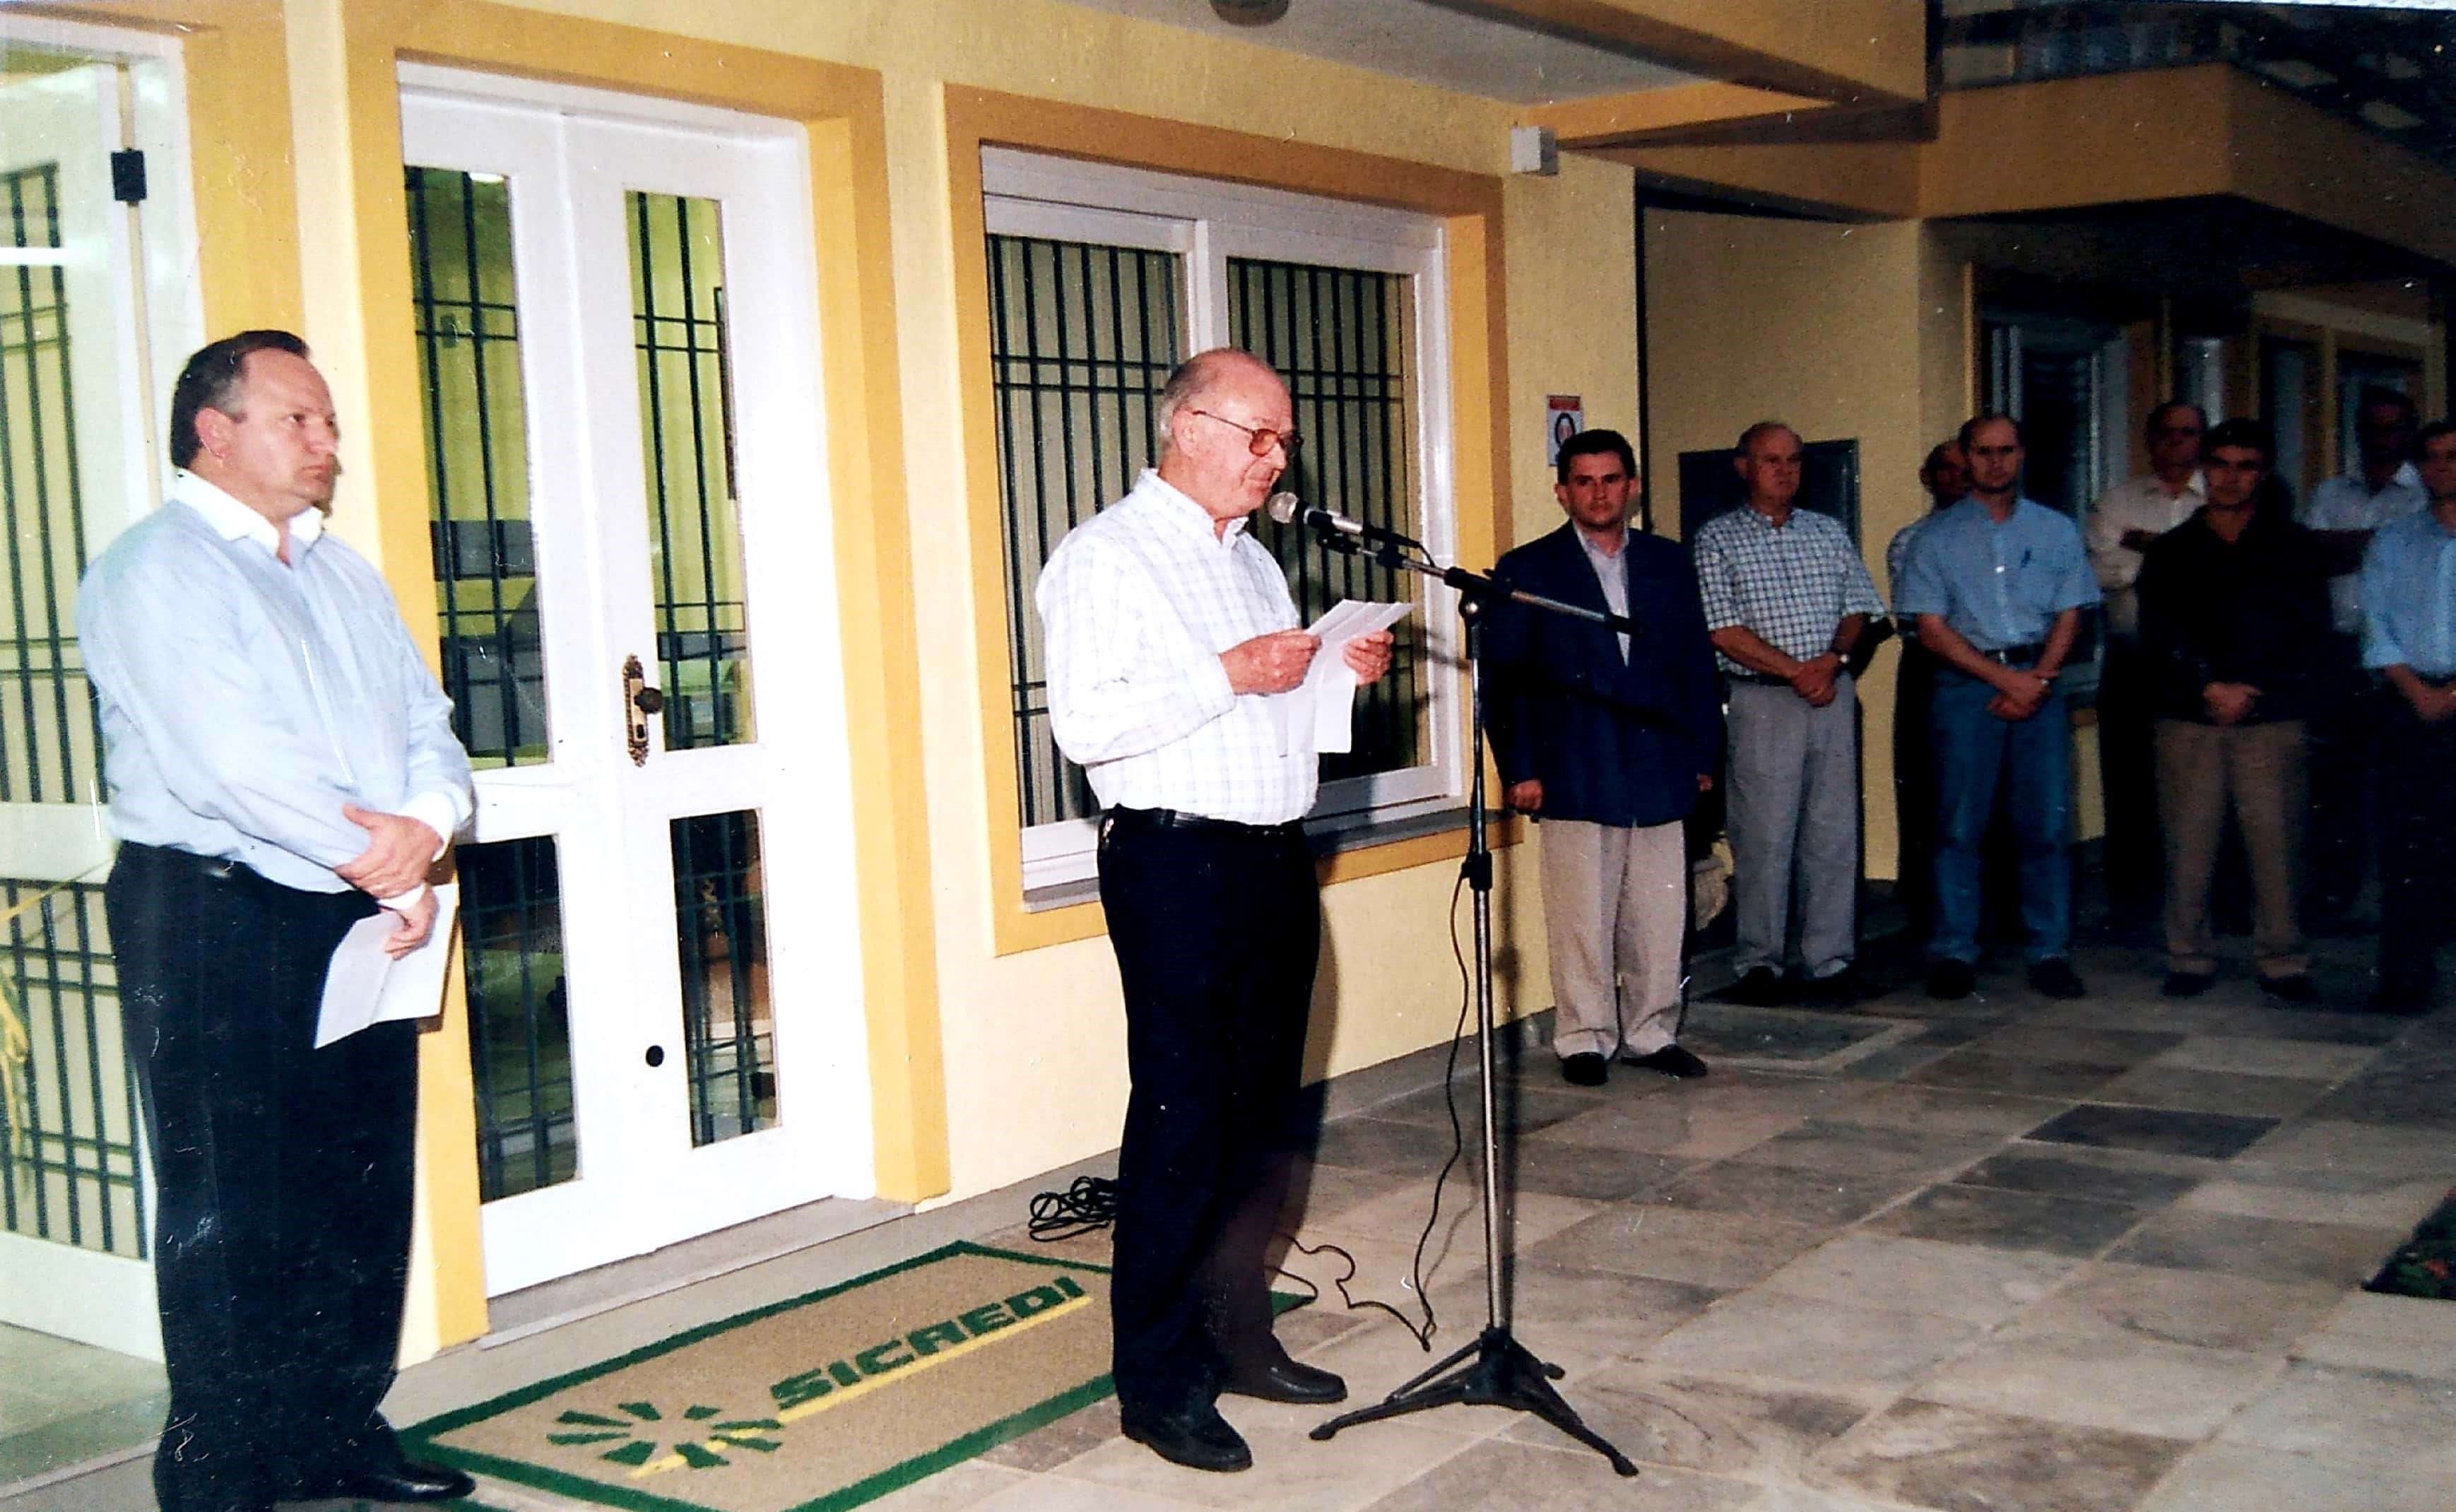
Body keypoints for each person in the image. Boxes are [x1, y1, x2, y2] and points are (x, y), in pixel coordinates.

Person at [76, 331, 477, 1512]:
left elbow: (427, 717)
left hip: (354, 906)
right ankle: (222, 1472)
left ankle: (332, 1432)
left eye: (329, 423)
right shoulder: (159, 573)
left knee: (357, 1188)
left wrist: (428, 821)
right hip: (216, 916)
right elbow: (232, 771)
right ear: (215, 429)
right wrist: (388, 865)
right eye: (300, 420)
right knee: (235, 1202)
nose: (327, 444)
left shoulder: (341, 571)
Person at [1035, 348, 1395, 1474]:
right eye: (1261, 435)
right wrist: (1230, 674)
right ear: (1187, 427)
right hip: (1177, 866)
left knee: (1261, 1117)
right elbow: (1087, 726)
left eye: (1282, 438)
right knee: (1187, 1124)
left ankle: (1240, 1335)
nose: (1277, 457)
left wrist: (1337, 671)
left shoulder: (1254, 563)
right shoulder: (1105, 559)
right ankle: (1157, 1382)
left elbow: (1275, 716)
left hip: (1273, 860)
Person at [1487, 429, 1722, 1086]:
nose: (1599, 493)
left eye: (1611, 479)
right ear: (1562, 492)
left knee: (1658, 913)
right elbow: (1507, 682)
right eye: (1584, 481)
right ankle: (1585, 1038)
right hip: (1573, 765)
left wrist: (1702, 754)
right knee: (1581, 915)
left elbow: (1696, 669)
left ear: (1633, 486)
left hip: (1659, 763)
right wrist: (1522, 768)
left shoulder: (1669, 563)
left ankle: (1652, 1032)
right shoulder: (1528, 570)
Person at [1894, 414, 2100, 1000]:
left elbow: (2071, 612)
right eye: (1982, 452)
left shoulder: (2056, 530)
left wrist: (2037, 679)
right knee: (1959, 824)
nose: (1995, 463)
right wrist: (2002, 681)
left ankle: (2050, 949)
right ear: (1966, 457)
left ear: (2022, 455)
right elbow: (1930, 629)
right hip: (1967, 685)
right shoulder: (1935, 538)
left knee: (2047, 824)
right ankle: (1956, 949)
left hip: (2041, 681)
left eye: (2006, 451)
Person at [2134, 420, 2332, 1003]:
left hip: (2271, 716)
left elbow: (2308, 634)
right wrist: (2207, 687)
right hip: (2189, 716)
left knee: (2277, 844)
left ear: (2263, 474)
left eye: (2246, 466)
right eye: (2220, 463)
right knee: (2188, 844)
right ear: (2203, 469)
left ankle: (2282, 959)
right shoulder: (2172, 551)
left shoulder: (2294, 547)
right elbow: (2158, 634)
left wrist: (2252, 689)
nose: (2230, 477)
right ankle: (2188, 957)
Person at [1692, 422, 1884, 1005]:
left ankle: (1830, 959)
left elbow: (1860, 609)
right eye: (1771, 460)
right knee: (1764, 835)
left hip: (1830, 693)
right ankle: (1760, 962)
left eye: (1794, 461)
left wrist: (1832, 660)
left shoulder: (1827, 532)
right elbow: (1722, 629)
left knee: (1832, 832)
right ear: (1743, 466)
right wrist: (1794, 670)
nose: (1784, 471)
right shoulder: (1717, 539)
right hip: (1763, 700)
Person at [2302, 387, 2428, 923]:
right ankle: (2336, 897)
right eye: (2373, 428)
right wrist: (2377, 542)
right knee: (2336, 785)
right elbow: (2309, 559)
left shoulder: (2425, 494)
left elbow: (2407, 572)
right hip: (2338, 650)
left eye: (2394, 427)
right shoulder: (2333, 492)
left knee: (2410, 791)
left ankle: (2425, 910)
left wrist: (2350, 546)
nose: (2383, 438)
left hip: (2402, 657)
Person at [2085, 401, 2208, 924]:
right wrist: (2183, 557)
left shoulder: (2220, 500)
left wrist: (2150, 549)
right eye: (2168, 433)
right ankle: (2134, 905)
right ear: (2150, 440)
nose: (2178, 443)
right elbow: (2106, 572)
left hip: (2202, 661)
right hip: (2134, 660)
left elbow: (2219, 579)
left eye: (2189, 434)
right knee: (2132, 785)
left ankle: (2209, 903)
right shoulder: (2117, 501)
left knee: (2204, 785)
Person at [2358, 418, 2456, 1012]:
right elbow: (2375, 622)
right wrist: (2417, 691)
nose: (2445, 467)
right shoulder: (2393, 542)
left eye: (2454, 456)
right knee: (2406, 849)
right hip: (2408, 704)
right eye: (2434, 458)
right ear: (2419, 469)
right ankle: (2404, 978)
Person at [1887, 441, 1968, 938]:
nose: (1957, 479)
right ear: (1928, 476)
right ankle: (1927, 912)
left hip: (1987, 668)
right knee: (1926, 791)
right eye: (1946, 470)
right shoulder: (1910, 541)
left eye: (1966, 469)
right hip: (1930, 665)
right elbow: (1919, 616)